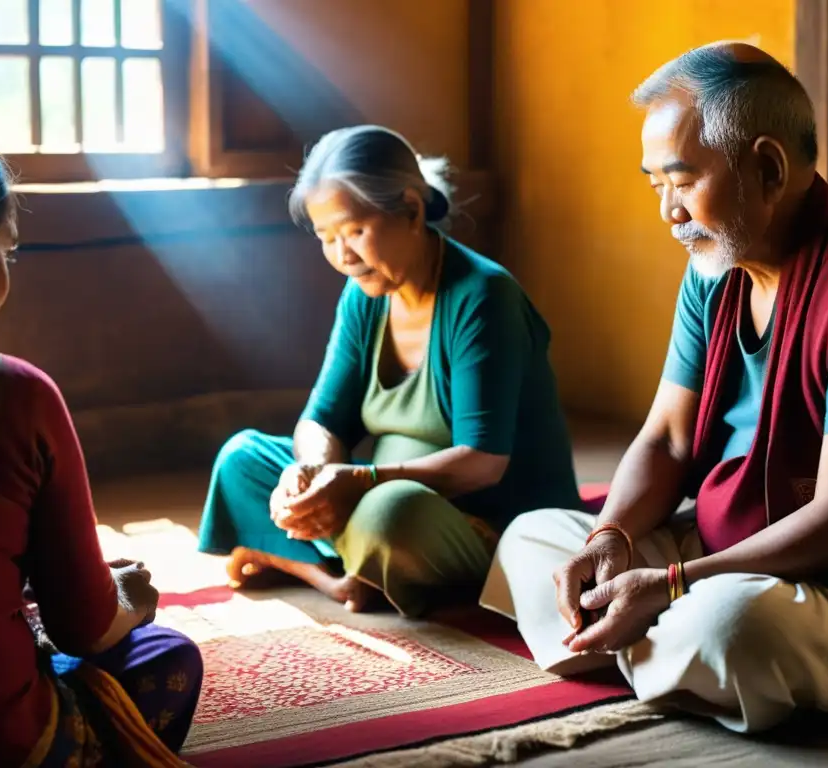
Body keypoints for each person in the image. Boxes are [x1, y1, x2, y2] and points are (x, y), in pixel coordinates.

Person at [480, 43, 828, 734]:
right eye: (655, 184)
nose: (668, 212)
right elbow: (668, 436)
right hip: (722, 549)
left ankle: (650, 640)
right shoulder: (718, 267)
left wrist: (673, 586)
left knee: (734, 629)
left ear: (769, 168)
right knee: (535, 540)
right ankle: (662, 648)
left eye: (682, 181)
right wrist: (612, 537)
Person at [197, 125, 581, 618]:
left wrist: (358, 480)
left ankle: (320, 565)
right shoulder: (364, 295)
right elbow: (322, 419)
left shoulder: (483, 297)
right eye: (326, 237)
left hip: (486, 520)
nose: (343, 254)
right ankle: (343, 578)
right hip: (372, 487)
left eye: (355, 230)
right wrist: (312, 470)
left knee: (392, 514)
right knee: (242, 458)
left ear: (411, 209)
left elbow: (483, 462)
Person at [0, 125, 203, 767]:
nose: (6, 279)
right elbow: (86, 626)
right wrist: (130, 601)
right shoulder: (14, 396)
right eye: (5, 254)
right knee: (165, 657)